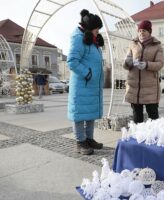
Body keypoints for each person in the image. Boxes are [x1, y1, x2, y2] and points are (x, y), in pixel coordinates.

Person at [67, 9, 105, 155]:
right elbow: (72, 61)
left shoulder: (91, 39)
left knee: (90, 114)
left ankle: (89, 139)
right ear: (90, 28)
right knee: (80, 115)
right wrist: (88, 74)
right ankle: (80, 142)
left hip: (91, 85)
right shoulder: (78, 38)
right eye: (96, 29)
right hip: (82, 84)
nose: (98, 32)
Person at [123, 20, 164, 123]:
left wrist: (146, 64)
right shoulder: (133, 44)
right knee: (137, 118)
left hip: (150, 88)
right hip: (134, 88)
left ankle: (154, 137)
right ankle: (139, 137)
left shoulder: (157, 46)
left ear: (149, 32)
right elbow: (126, 64)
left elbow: (160, 64)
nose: (141, 32)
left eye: (144, 30)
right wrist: (128, 62)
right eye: (140, 30)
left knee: (153, 117)